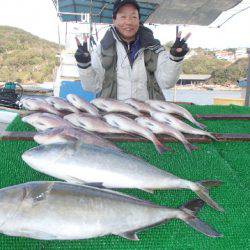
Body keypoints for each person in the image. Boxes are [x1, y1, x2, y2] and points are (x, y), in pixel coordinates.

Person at [75, 0, 190, 101]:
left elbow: (167, 83)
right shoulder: (102, 49)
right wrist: (84, 65)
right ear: (114, 20)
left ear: (139, 20)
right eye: (123, 17)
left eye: (133, 17)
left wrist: (175, 58)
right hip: (113, 117)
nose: (128, 22)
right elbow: (92, 87)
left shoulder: (154, 48)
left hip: (147, 116)